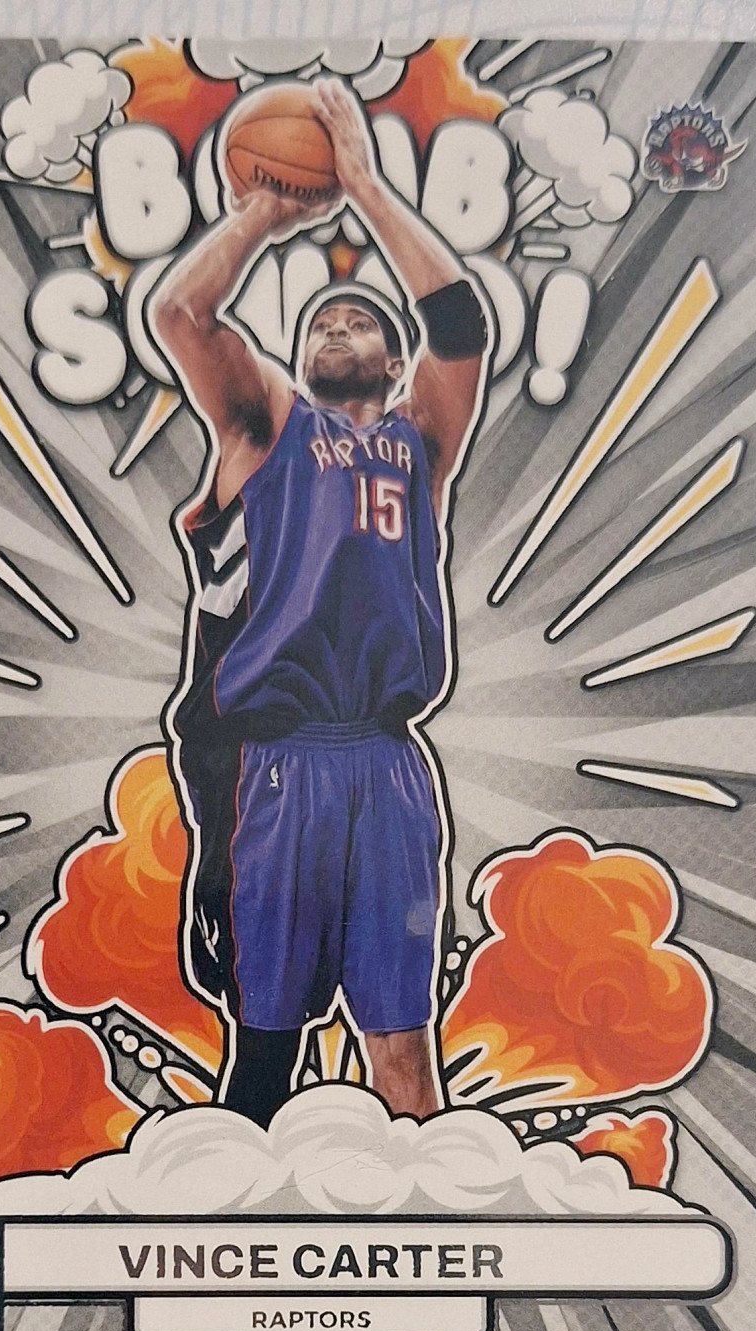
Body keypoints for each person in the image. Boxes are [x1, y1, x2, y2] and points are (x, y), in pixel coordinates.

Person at [150, 78, 491, 1126]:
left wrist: (366, 189)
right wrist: (266, 207)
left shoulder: (418, 441)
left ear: (392, 362)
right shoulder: (265, 427)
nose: (338, 326)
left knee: (404, 1054)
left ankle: (426, 1218)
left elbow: (461, 324)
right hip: (277, 765)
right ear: (298, 362)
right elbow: (179, 313)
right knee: (265, 1051)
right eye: (322, 322)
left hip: (387, 764)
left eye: (360, 321)